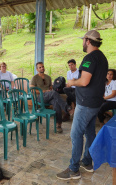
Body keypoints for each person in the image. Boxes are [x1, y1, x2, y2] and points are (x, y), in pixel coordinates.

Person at [56, 30, 108, 180]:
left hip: (86, 104)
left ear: (88, 41)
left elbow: (84, 81)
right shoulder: (102, 57)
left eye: (83, 40)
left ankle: (73, 169)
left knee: (76, 134)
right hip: (96, 102)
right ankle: (87, 162)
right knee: (90, 132)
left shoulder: (90, 57)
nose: (82, 43)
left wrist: (72, 82)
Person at [30, 62, 73, 133]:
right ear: (37, 69)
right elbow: (32, 90)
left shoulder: (48, 77)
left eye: (43, 67)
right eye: (40, 67)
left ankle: (58, 124)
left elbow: (51, 87)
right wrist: (43, 91)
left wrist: (50, 89)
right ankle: (66, 107)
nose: (42, 68)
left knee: (56, 102)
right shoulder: (35, 78)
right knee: (53, 93)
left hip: (48, 96)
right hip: (40, 97)